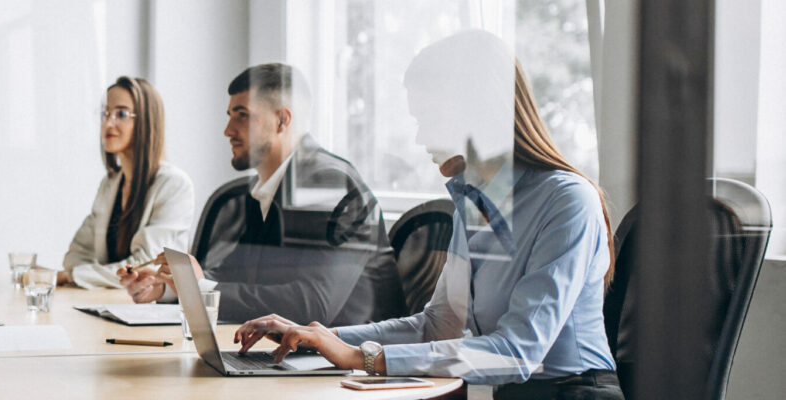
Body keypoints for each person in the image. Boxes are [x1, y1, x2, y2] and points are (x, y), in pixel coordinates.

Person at [233, 31, 622, 399]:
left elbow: (517, 352)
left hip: (576, 392)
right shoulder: (475, 203)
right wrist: (318, 336)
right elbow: (437, 325)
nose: (420, 139)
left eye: (428, 119)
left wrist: (365, 357)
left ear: (476, 112)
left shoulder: (567, 201)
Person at [119, 63, 390, 326]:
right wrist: (170, 287)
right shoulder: (267, 186)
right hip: (287, 352)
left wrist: (200, 288)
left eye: (242, 115)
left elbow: (313, 305)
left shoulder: (327, 184)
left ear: (282, 120)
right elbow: (235, 276)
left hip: (350, 359)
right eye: (230, 116)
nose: (228, 131)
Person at [60, 76, 195, 289]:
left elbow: (145, 267)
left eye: (121, 114)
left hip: (148, 309)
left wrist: (72, 276)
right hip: (107, 301)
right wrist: (78, 274)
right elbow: (76, 256)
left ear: (146, 122)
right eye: (105, 113)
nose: (108, 123)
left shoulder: (174, 185)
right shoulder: (110, 183)